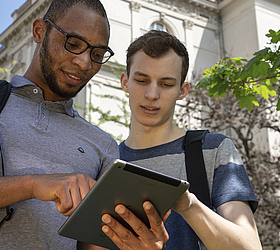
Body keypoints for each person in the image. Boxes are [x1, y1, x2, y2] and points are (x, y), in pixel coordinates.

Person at [0, 0, 120, 249]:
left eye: (97, 54)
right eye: (73, 43)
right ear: (39, 31)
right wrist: (32, 184)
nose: (84, 62)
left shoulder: (104, 145)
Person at [100, 30, 262, 250]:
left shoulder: (213, 149)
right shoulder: (107, 164)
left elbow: (250, 247)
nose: (151, 94)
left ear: (182, 90)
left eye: (166, 84)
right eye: (141, 80)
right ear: (125, 82)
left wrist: (188, 205)